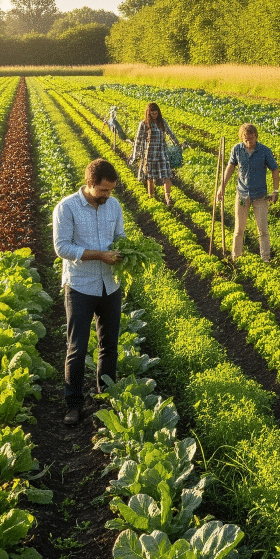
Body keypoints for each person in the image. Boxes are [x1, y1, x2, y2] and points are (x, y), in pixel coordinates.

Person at [52, 158, 125, 427]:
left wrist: (127, 251)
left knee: (109, 346)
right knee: (77, 347)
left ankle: (106, 399)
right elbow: (62, 248)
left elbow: (120, 236)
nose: (107, 195)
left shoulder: (114, 205)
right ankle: (73, 404)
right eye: (103, 190)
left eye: (111, 190)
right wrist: (99, 256)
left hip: (110, 285)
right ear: (89, 184)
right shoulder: (67, 208)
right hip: (80, 286)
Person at [216, 123, 280, 262]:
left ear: (256, 136)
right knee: (239, 229)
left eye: (251, 138)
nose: (249, 142)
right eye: (246, 139)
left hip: (260, 196)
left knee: (263, 230)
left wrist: (275, 191)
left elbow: (274, 170)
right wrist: (222, 187)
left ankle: (266, 259)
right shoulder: (237, 149)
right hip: (242, 194)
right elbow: (230, 168)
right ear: (242, 138)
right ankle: (236, 257)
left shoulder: (264, 151)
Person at [129, 101, 180, 206]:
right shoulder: (143, 124)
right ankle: (151, 197)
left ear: (159, 113)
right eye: (152, 114)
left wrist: (177, 144)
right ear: (148, 113)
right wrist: (135, 156)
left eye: (156, 114)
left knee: (166, 175)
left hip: (162, 152)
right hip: (150, 154)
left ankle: (168, 198)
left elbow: (170, 133)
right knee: (150, 176)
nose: (154, 116)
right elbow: (138, 140)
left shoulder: (162, 122)